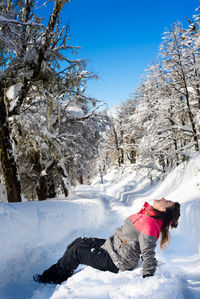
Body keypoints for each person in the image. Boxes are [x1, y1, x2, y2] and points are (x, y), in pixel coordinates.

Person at [34, 198, 180, 284]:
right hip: (113, 247)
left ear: (164, 211)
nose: (162, 198)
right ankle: (62, 270)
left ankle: (52, 278)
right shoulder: (148, 215)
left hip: (116, 260)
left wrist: (148, 275)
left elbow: (148, 252)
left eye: (166, 201)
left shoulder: (150, 225)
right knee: (78, 241)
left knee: (76, 252)